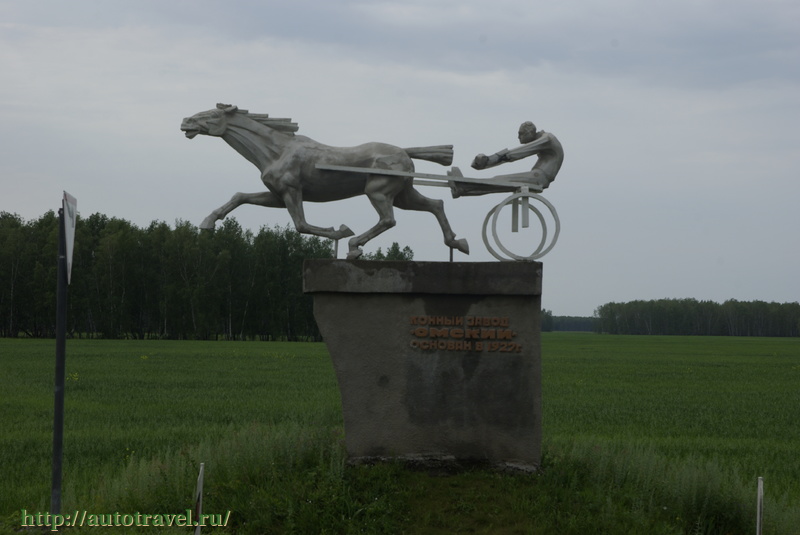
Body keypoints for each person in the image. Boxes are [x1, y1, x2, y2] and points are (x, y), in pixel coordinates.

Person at [450, 121, 564, 197]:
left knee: (499, 180)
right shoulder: (544, 139)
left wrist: (491, 159)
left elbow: (518, 153)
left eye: (521, 134)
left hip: (540, 177)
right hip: (538, 175)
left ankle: (465, 187)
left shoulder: (547, 139)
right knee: (499, 183)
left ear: (529, 132)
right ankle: (464, 190)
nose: (519, 137)